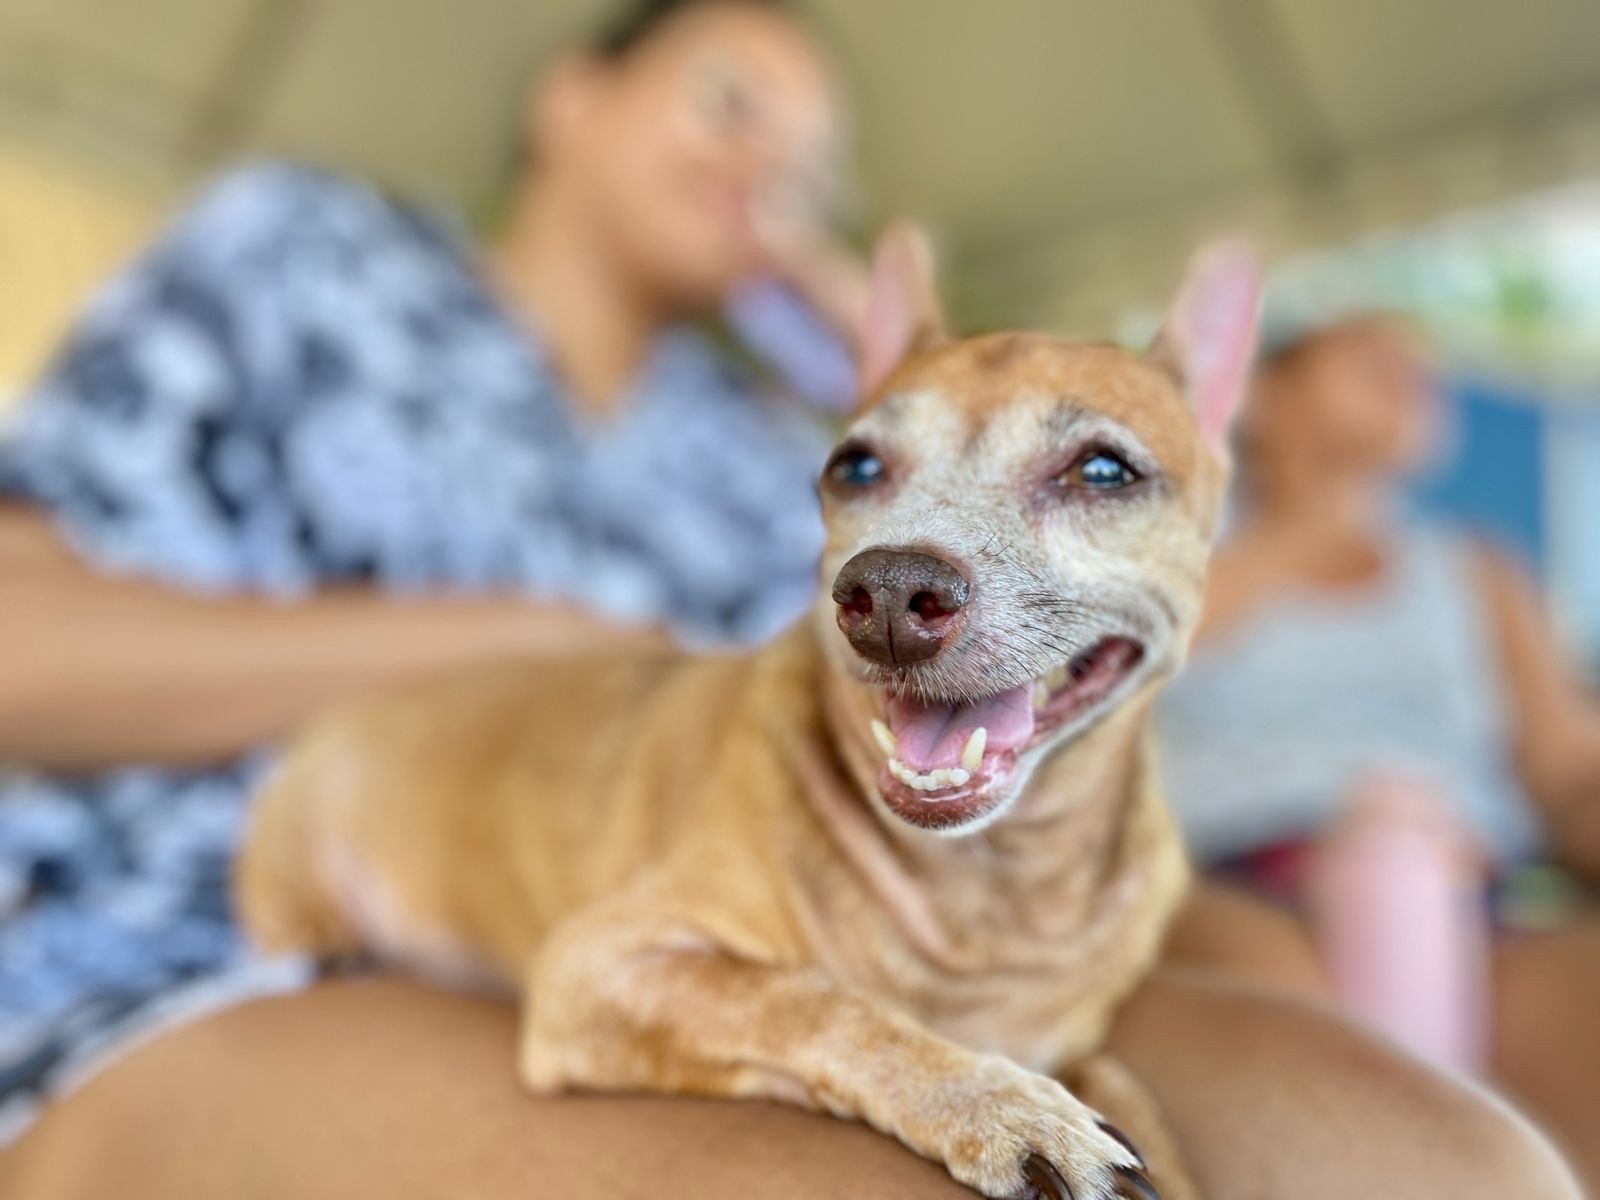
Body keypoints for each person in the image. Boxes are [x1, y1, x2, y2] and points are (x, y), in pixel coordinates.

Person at [0, 0, 867, 1128]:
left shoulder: (773, 469)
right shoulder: (302, 257)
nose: (763, 168)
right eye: (729, 101)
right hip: (184, 963)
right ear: (570, 97)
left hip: (628, 999)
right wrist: (523, 644)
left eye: (810, 173)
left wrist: (917, 398)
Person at [1158, 315, 1600, 1184]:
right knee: (1302, 1054)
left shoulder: (1479, 570)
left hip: (1474, 884)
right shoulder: (1175, 555)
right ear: (1264, 394)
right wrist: (1313, 522)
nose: (1409, 377)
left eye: (1422, 369)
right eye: (1369, 358)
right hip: (1240, 879)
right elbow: (1113, 682)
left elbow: (1569, 768)